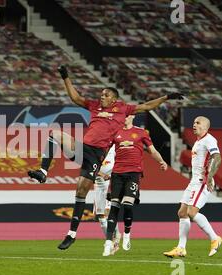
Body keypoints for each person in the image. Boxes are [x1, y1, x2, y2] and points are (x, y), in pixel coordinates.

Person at [27, 64, 184, 250]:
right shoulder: (94, 106)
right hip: (83, 148)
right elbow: (75, 97)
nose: (102, 96)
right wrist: (65, 77)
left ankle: (71, 234)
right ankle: (44, 172)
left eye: (106, 95)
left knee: (81, 192)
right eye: (101, 94)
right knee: (55, 134)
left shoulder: (124, 109)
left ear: (115, 99)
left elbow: (147, 106)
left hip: (96, 155)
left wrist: (167, 97)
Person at [102, 115, 168, 256]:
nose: (124, 118)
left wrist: (161, 161)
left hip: (133, 174)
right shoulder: (115, 132)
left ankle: (127, 234)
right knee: (114, 207)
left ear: (132, 116)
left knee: (127, 205)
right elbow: (105, 151)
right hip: (117, 174)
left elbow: (152, 150)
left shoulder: (141, 132)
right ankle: (108, 242)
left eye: (127, 115)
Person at [164, 116, 222, 258]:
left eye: (198, 122)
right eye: (194, 122)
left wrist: (209, 177)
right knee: (182, 213)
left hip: (202, 181)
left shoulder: (209, 139)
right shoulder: (198, 142)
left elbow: (217, 157)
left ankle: (215, 238)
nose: (194, 124)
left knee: (191, 212)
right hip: (194, 181)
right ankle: (181, 248)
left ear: (206, 127)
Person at [93, 144, 121, 255]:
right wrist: (101, 174)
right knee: (99, 217)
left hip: (111, 184)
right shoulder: (95, 148)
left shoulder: (115, 148)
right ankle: (116, 235)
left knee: (108, 213)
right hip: (98, 185)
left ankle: (111, 242)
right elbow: (91, 166)